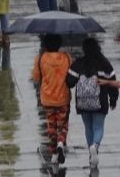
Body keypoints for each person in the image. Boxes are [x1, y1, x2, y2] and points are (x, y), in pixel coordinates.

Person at [67, 38, 119, 169]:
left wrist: (72, 67)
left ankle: (91, 155)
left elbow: (69, 82)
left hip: (83, 101)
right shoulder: (104, 63)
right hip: (100, 100)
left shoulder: (79, 63)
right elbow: (113, 82)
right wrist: (113, 98)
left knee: (88, 127)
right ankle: (95, 146)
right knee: (98, 127)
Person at [32, 34, 72, 164]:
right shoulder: (66, 57)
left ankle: (54, 152)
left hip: (47, 98)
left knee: (51, 125)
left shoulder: (40, 58)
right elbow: (72, 75)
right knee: (63, 123)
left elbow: (36, 77)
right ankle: (61, 142)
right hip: (63, 97)